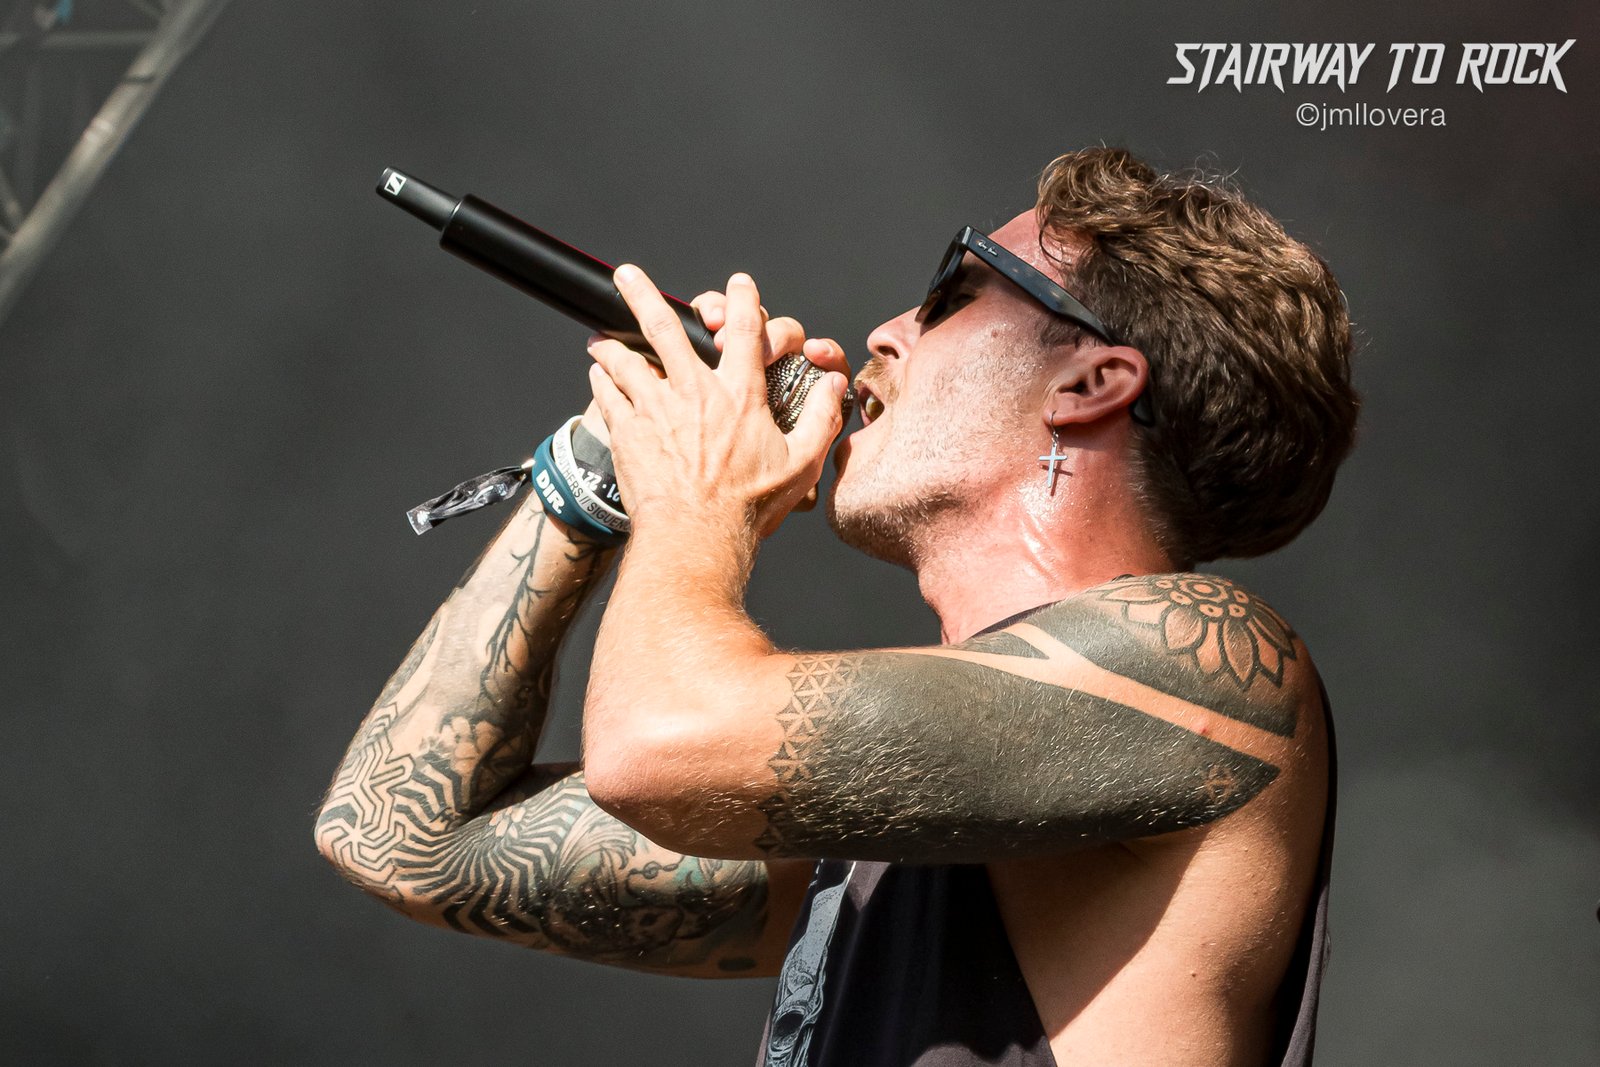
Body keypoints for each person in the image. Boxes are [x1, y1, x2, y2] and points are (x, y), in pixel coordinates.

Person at [314, 146, 1359, 1066]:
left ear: (1090, 380)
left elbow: (656, 747)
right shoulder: (886, 818)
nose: (888, 332)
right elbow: (403, 839)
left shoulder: (1218, 665)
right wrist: (595, 473)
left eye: (954, 291)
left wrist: (700, 491)